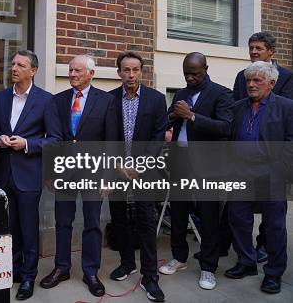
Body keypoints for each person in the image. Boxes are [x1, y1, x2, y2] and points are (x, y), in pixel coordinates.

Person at [40, 54, 119, 297]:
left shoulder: (106, 101)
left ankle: (90, 271)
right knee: (63, 221)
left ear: (91, 74)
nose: (72, 74)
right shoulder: (58, 101)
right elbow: (52, 139)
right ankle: (61, 267)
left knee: (92, 223)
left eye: (78, 71)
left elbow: (112, 142)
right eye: (70, 70)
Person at [160, 53, 233, 290]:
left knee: (208, 216)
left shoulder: (221, 93)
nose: (190, 78)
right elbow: (169, 121)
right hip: (180, 160)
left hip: (207, 165)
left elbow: (225, 128)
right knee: (178, 214)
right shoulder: (181, 94)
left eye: (195, 74)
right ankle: (179, 258)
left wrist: (191, 116)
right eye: (186, 74)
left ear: (206, 69)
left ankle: (208, 267)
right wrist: (173, 115)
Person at [0, 50, 59, 300]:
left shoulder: (46, 100)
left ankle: (29, 276)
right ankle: (14, 269)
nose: (14, 68)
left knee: (28, 227)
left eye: (20, 65)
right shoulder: (0, 98)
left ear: (33, 71)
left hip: (29, 174)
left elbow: (55, 140)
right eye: (13, 64)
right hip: (3, 173)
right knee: (8, 227)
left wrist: (28, 144)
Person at [225, 61, 292, 294]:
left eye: (257, 80)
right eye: (248, 80)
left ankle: (273, 273)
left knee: (274, 227)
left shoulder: (286, 107)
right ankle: (246, 262)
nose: (251, 85)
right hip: (241, 173)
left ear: (272, 83)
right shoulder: (238, 107)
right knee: (238, 219)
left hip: (270, 175)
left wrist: (281, 170)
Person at [108, 52, 167, 302]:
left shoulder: (156, 99)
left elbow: (158, 136)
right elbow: (107, 136)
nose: (131, 75)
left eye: (135, 70)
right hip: (117, 170)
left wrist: (140, 165)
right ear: (119, 72)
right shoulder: (109, 99)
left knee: (145, 220)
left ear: (141, 71)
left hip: (146, 171)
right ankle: (127, 263)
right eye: (126, 70)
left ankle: (150, 276)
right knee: (119, 218)